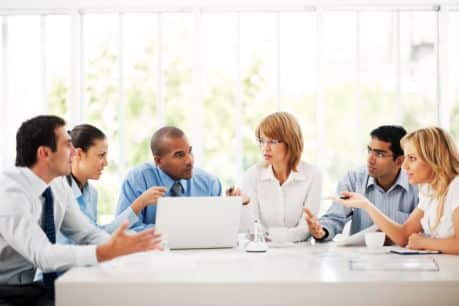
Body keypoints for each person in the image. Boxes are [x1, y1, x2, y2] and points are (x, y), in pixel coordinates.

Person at [0, 115, 162, 306]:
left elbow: (86, 233)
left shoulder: (58, 185)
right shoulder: (9, 192)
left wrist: (125, 248)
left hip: (32, 288)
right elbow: (43, 255)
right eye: (67, 145)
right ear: (44, 153)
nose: (74, 152)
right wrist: (104, 252)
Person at [333, 127, 459, 254]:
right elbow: (403, 236)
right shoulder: (430, 190)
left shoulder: (456, 186)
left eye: (412, 158)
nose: (404, 166)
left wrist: (424, 242)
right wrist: (366, 205)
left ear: (434, 159)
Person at [305, 125, 419, 242]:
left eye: (380, 154)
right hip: (362, 256)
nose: (370, 159)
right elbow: (335, 217)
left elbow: (423, 231)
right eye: (370, 150)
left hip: (402, 258)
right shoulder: (354, 179)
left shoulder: (417, 185)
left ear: (399, 161)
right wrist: (321, 231)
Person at [60, 124, 165, 241]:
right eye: (101, 155)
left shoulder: (92, 194)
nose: (106, 163)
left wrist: (139, 204)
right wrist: (139, 204)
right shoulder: (59, 192)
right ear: (78, 154)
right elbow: (84, 239)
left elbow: (97, 233)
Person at [229, 112, 322, 243]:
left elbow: (305, 230)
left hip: (300, 255)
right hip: (262, 253)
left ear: (290, 142)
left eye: (272, 141)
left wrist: (268, 235)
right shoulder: (252, 175)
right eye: (262, 141)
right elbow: (251, 228)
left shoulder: (312, 175)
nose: (265, 148)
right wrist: (242, 205)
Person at [116, 126, 222, 231]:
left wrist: (237, 207)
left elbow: (222, 225)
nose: (190, 161)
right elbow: (124, 230)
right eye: (179, 155)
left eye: (189, 151)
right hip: (154, 248)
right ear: (158, 161)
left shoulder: (209, 182)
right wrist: (176, 231)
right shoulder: (137, 180)